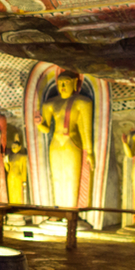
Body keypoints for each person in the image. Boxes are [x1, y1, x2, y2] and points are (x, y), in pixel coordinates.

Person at [36, 71, 94, 208]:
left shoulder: (82, 102)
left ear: (74, 83)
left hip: (71, 141)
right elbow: (46, 129)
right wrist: (38, 123)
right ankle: (59, 209)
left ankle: (71, 210)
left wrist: (90, 152)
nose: (62, 86)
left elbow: (86, 129)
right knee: (57, 178)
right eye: (60, 83)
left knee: (71, 178)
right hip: (55, 142)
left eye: (66, 82)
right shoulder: (49, 104)